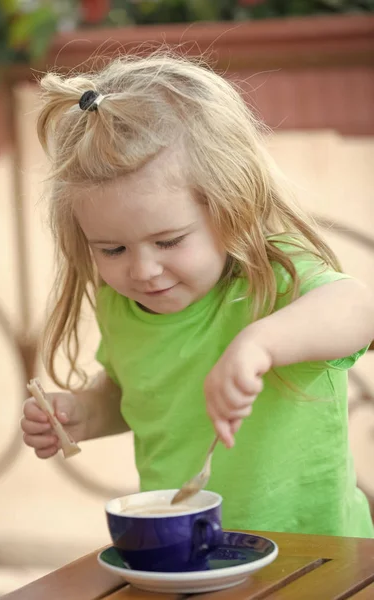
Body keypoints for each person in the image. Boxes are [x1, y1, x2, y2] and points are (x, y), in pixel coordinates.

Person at [21, 52, 374, 537]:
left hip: (316, 557)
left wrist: (260, 343)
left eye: (169, 241)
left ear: (232, 205)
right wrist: (85, 412)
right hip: (189, 555)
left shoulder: (273, 279)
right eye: (112, 248)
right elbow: (137, 392)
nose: (143, 269)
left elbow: (358, 309)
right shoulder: (121, 305)